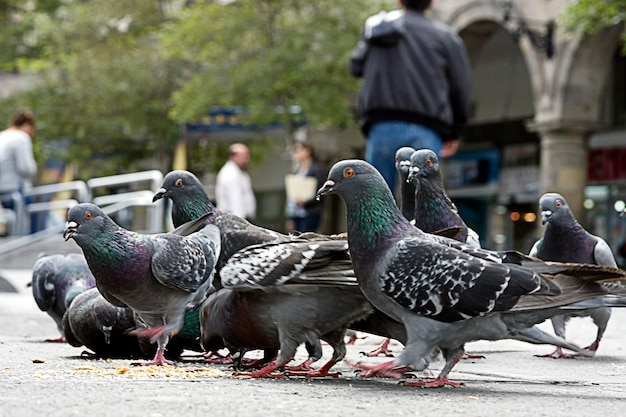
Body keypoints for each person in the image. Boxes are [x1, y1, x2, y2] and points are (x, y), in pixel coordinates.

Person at [349, 0, 471, 194]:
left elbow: (355, 67)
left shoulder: (380, 28)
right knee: (424, 204)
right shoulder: (446, 37)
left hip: (382, 125)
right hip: (427, 128)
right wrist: (455, 131)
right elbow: (460, 86)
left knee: (376, 203)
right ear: (431, 3)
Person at [0, 110, 38, 234]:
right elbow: (26, 167)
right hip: (18, 189)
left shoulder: (3, 135)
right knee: (30, 226)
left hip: (3, 189)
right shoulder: (21, 137)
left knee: (12, 227)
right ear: (28, 125)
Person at [284, 141, 325, 233]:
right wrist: (289, 217)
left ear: (308, 151)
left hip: (310, 212)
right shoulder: (297, 170)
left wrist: (306, 201)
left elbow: (320, 193)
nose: (296, 153)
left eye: (299, 150)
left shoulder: (316, 170)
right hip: (296, 212)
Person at [215, 143, 256, 221]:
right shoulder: (230, 173)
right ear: (235, 156)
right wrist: (240, 221)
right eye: (244, 156)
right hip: (234, 219)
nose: (247, 159)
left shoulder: (239, 172)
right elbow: (235, 199)